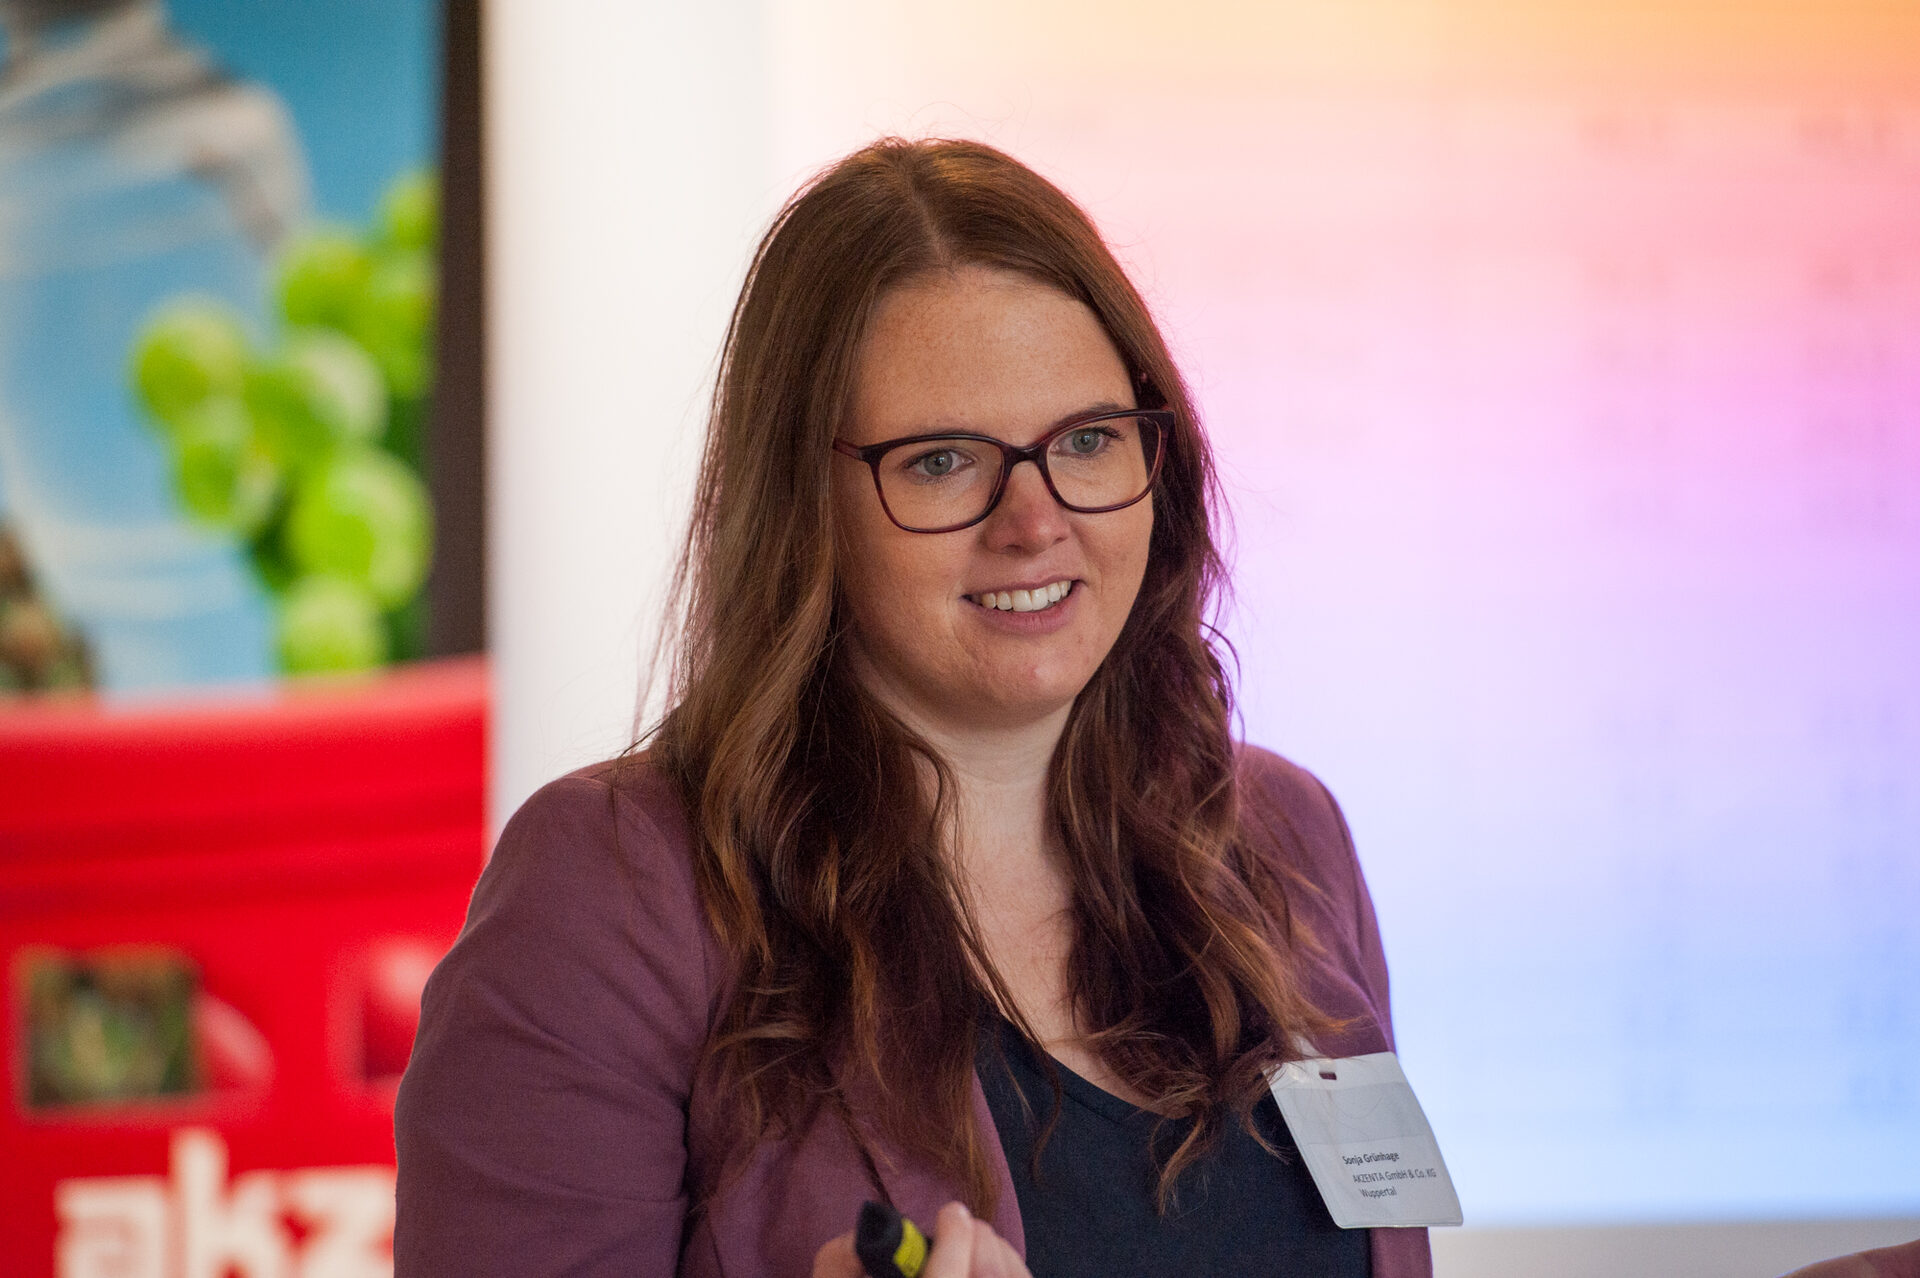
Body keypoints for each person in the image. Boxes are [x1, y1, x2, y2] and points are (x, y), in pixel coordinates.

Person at [394, 137, 1430, 1278]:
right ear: (802, 504)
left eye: (1089, 440)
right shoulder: (614, 894)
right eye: (943, 462)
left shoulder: (1285, 839)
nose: (1034, 522)